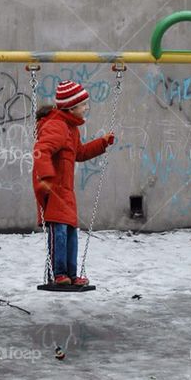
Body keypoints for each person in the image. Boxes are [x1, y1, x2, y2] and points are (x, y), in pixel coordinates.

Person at [32, 80, 114, 286]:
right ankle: (58, 274)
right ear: (71, 107)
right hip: (54, 190)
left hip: (66, 191)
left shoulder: (71, 129)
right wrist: (47, 178)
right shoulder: (57, 126)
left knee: (71, 233)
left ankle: (71, 274)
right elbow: (41, 150)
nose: (87, 108)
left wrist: (102, 143)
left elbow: (80, 153)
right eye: (83, 104)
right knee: (58, 232)